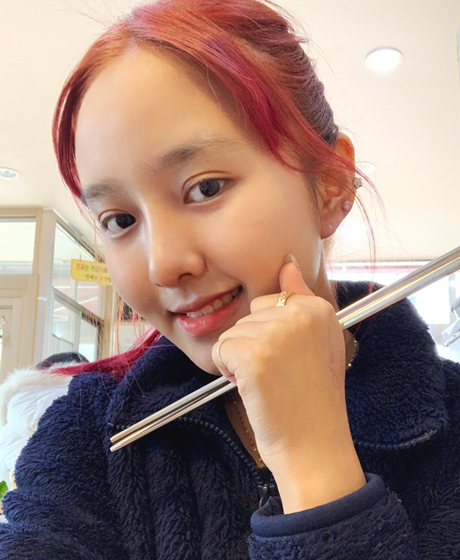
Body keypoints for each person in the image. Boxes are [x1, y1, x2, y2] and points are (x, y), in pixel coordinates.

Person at [0, 0, 459, 558]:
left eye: (206, 188)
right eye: (120, 221)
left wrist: (313, 462)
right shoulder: (90, 433)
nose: (163, 264)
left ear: (330, 184)